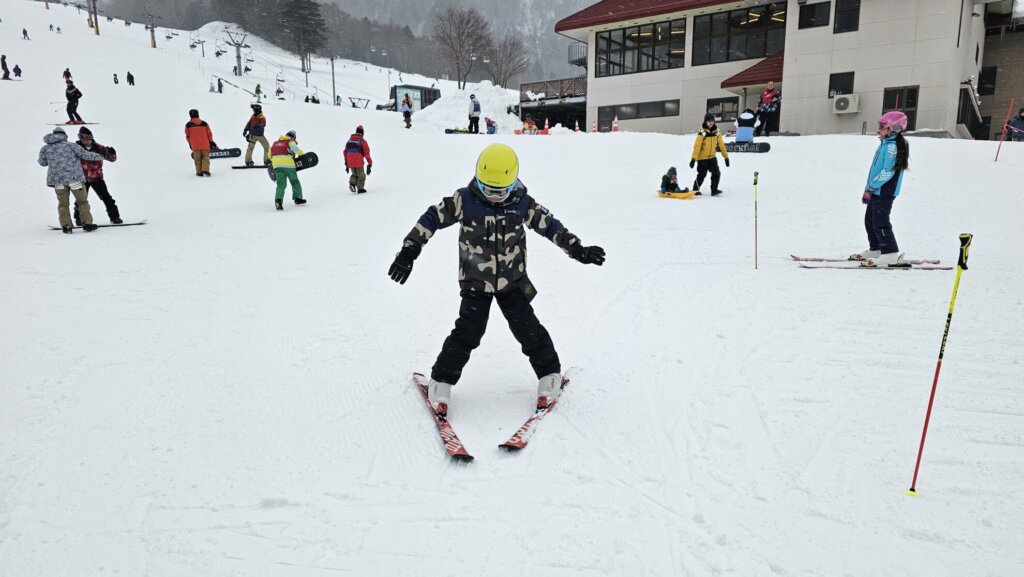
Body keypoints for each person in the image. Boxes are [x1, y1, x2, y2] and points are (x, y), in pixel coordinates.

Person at [387, 143, 606, 416]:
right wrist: (410, 250)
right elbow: (432, 217)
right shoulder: (464, 200)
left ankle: (549, 374)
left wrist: (577, 249)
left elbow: (550, 226)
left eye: (500, 192)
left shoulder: (522, 204)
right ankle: (441, 381)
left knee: (527, 328)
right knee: (468, 332)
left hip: (512, 282)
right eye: (487, 189)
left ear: (513, 183)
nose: (492, 197)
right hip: (475, 283)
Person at [852, 111, 911, 268]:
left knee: (880, 221)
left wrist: (872, 186)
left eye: (882, 126)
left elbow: (888, 172)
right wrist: (869, 189)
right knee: (870, 220)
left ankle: (890, 254)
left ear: (893, 128)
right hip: (877, 189)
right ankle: (877, 249)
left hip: (885, 191)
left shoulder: (892, 147)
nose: (879, 129)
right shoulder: (886, 144)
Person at [37, 127, 104, 233]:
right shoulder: (71, 146)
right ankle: (87, 224)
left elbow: (42, 163)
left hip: (58, 182)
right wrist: (101, 156)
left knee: (63, 204)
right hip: (75, 180)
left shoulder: (45, 149)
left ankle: (66, 226)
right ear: (64, 135)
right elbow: (86, 155)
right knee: (82, 202)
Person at [74, 127, 122, 225]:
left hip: (97, 178)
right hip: (81, 178)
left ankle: (114, 217)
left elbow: (112, 159)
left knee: (106, 198)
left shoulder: (99, 148)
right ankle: (79, 219)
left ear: (91, 138)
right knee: (80, 200)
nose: (85, 140)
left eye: (87, 138)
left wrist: (112, 153)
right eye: (82, 138)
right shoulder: (76, 148)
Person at [689, 113, 729, 195]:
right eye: (709, 121)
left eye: (712, 121)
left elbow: (721, 144)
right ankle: (695, 190)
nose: (711, 123)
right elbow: (697, 146)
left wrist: (726, 157)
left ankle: (714, 190)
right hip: (702, 158)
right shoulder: (702, 132)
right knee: (702, 174)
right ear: (705, 122)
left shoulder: (717, 132)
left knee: (716, 173)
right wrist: (693, 159)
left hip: (712, 157)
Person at [270, 130, 306, 210]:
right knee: (294, 181)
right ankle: (298, 198)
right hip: (289, 166)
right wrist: (302, 154)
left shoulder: (275, 144)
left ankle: (278, 201)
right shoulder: (290, 142)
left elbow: (269, 155)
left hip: (277, 166)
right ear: (293, 137)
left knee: (280, 185)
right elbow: (296, 149)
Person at [343, 125, 373, 194]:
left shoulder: (349, 141)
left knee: (354, 174)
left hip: (350, 161)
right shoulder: (363, 141)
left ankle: (352, 184)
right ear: (362, 133)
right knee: (361, 175)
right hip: (358, 161)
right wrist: (370, 163)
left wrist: (346, 163)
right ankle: (360, 188)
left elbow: (345, 152)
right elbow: (367, 154)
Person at [185, 109, 213, 176]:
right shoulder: (204, 123)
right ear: (198, 114)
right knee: (205, 158)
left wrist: (190, 144)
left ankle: (199, 172)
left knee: (197, 159)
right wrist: (211, 141)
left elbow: (187, 136)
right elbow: (209, 134)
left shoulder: (188, 125)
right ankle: (205, 169)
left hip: (195, 145)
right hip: (205, 144)